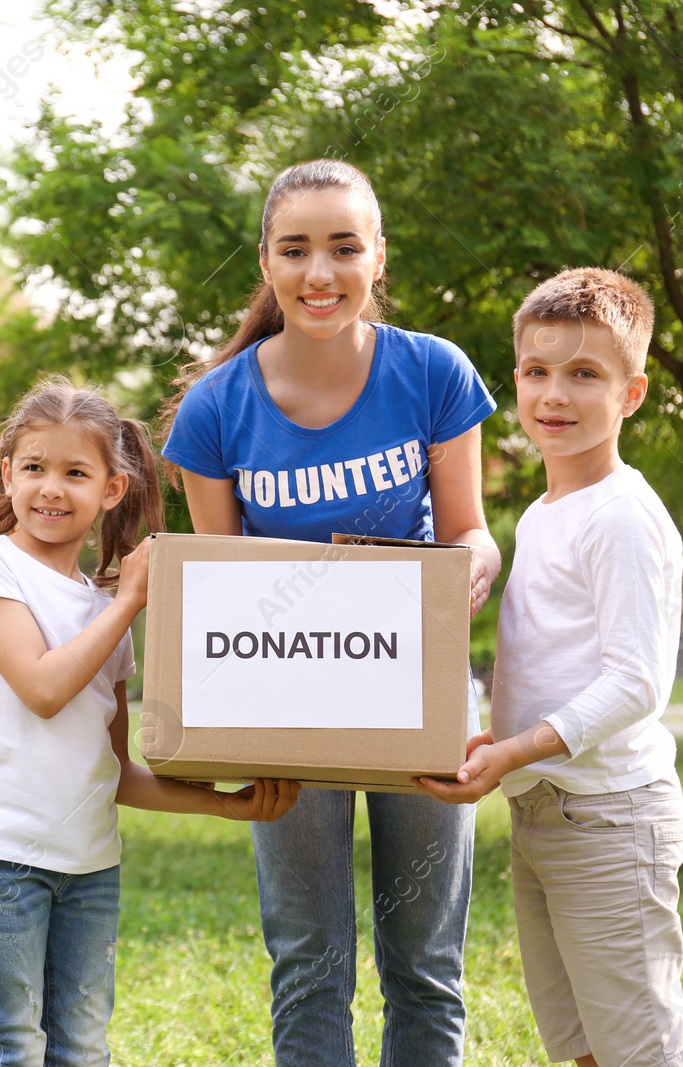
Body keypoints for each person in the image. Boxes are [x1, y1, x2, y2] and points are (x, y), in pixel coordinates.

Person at [161, 159, 499, 1066]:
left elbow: (471, 530)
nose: (321, 272)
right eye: (296, 249)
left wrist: (472, 565)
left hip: (418, 698)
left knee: (425, 963)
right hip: (289, 712)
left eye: (344, 247)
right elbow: (220, 586)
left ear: (377, 255)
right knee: (309, 963)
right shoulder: (214, 409)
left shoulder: (433, 372)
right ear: (266, 262)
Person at [0, 377, 299, 1066]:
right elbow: (43, 689)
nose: (51, 488)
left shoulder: (102, 608)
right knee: (14, 1047)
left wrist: (225, 805)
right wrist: (129, 601)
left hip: (89, 863)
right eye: (34, 468)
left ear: (111, 488)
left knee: (82, 1048)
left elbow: (113, 773)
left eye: (75, 472)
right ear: (6, 474)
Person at [416, 269, 683, 1067]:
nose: (555, 394)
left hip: (610, 818)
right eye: (538, 372)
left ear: (632, 394)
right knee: (582, 1045)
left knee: (642, 1047)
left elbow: (638, 682)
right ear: (515, 382)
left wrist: (514, 749)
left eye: (584, 374)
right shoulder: (545, 512)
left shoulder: (624, 517)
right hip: (546, 812)